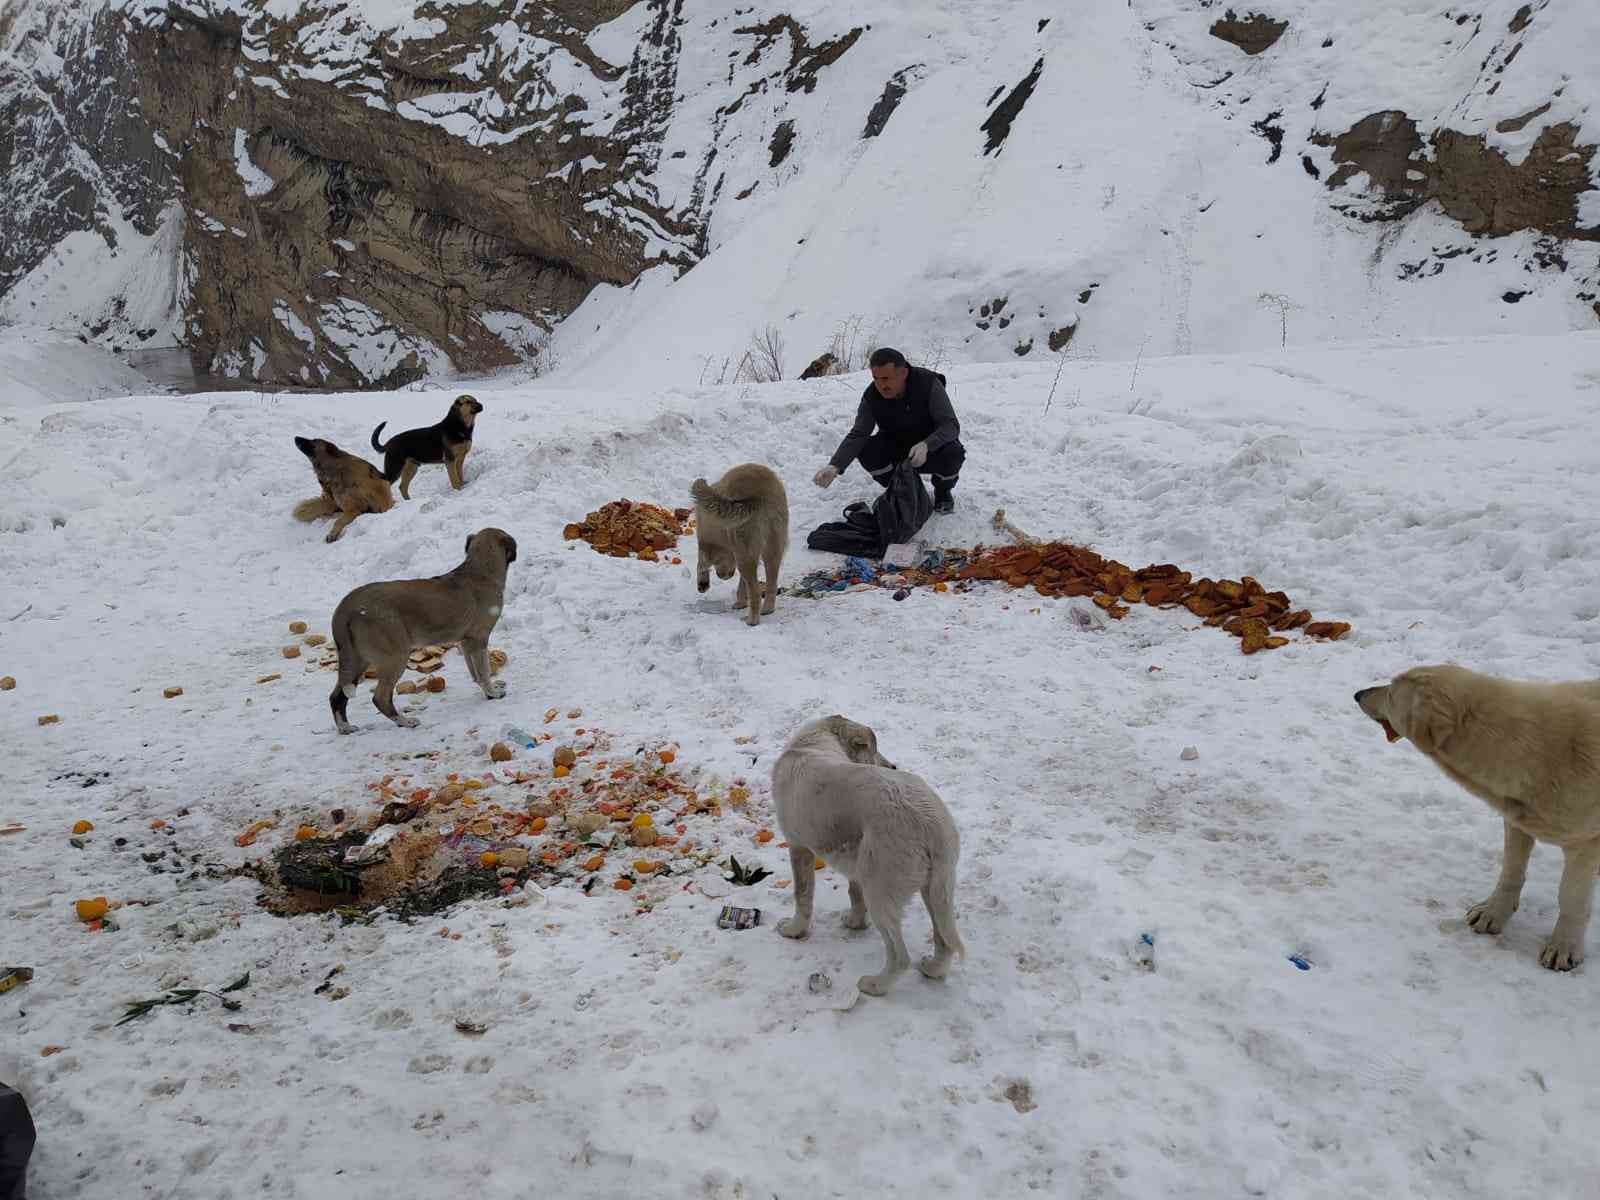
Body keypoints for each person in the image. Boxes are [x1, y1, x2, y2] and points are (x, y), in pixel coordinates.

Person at [812, 347, 965, 513]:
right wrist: (835, 465)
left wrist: (927, 444)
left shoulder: (928, 383)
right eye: (876, 378)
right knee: (866, 450)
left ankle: (943, 492)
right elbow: (859, 434)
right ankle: (902, 491)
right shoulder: (872, 396)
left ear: (904, 374)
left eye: (886, 378)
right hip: (896, 446)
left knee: (953, 452)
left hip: (930, 448)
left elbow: (950, 425)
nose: (880, 385)